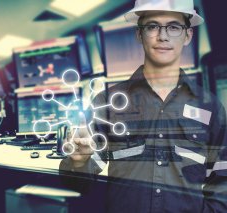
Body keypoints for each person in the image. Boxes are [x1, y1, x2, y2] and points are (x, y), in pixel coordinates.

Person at [59, 0, 227, 212]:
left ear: (188, 36)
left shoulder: (211, 106)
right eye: (152, 26)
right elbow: (78, 184)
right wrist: (78, 162)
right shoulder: (107, 103)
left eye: (174, 27)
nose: (163, 36)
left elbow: (222, 180)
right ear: (139, 34)